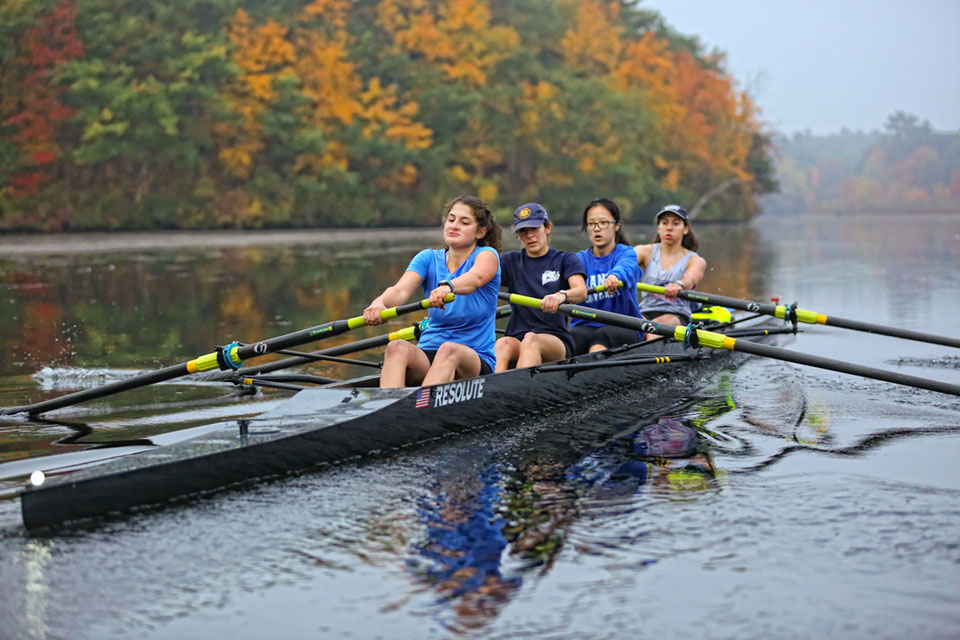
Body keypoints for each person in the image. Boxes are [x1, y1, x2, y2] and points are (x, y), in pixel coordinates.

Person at [363, 195, 502, 387]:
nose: (454, 226)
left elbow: (476, 278)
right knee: (396, 347)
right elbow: (399, 290)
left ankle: (419, 406)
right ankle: (389, 405)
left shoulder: (487, 256)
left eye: (464, 222)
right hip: (428, 351)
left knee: (449, 349)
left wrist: (448, 286)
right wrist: (380, 304)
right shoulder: (427, 258)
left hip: (474, 357)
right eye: (451, 220)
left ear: (480, 232)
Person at [495, 203, 587, 371]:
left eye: (534, 229)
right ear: (517, 235)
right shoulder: (509, 261)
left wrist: (562, 295)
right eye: (523, 231)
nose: (530, 236)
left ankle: (518, 388)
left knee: (531, 339)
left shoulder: (565, 259)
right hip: (517, 338)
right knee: (502, 343)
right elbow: (477, 276)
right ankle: (492, 394)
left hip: (555, 340)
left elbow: (581, 292)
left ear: (547, 227)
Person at [570, 198, 644, 354]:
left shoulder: (626, 253)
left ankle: (591, 374)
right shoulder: (578, 259)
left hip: (625, 325)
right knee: (570, 338)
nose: (597, 229)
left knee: (601, 337)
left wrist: (615, 276)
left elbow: (626, 267)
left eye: (603, 223)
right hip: (585, 325)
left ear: (617, 226)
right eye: (591, 224)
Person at [634, 204, 707, 336]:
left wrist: (679, 284)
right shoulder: (644, 252)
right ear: (658, 227)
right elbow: (625, 265)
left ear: (685, 229)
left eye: (676, 223)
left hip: (677, 314)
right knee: (632, 331)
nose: (669, 228)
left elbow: (691, 278)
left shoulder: (695, 260)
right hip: (645, 311)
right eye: (664, 223)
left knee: (653, 331)